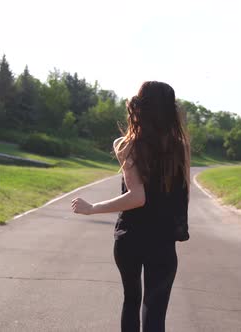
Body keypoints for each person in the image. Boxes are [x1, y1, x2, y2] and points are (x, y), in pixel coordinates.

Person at [71, 81, 190, 332]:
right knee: (155, 310)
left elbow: (137, 197)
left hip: (131, 239)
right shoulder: (181, 148)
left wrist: (92, 208)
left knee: (132, 300)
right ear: (171, 110)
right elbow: (182, 193)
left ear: (141, 107)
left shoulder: (126, 145)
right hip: (162, 242)